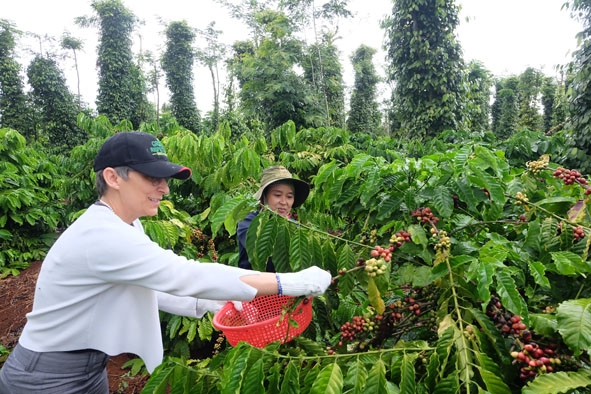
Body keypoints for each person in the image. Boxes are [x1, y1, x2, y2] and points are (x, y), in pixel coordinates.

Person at [0, 132, 331, 394]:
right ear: (114, 178)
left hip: (90, 368)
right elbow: (183, 273)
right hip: (47, 377)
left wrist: (214, 303)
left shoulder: (127, 225)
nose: (164, 188)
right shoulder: (101, 235)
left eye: (165, 178)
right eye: (152, 178)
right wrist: (292, 282)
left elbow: (150, 288)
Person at [237, 165, 310, 271]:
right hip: (254, 286)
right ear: (264, 197)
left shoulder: (295, 226)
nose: (284, 202)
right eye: (277, 195)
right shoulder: (249, 222)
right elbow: (259, 249)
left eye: (289, 197)